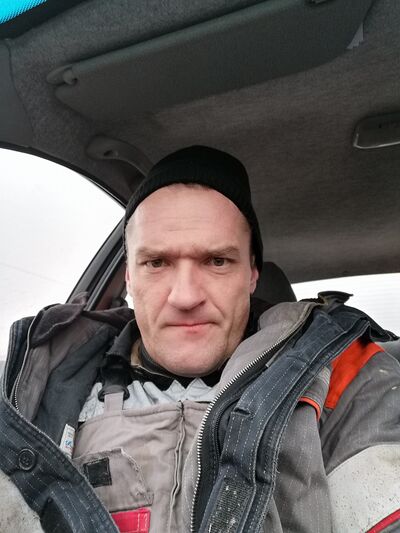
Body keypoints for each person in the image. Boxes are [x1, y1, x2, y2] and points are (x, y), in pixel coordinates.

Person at [0, 146, 399, 533]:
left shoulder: (345, 378)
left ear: (252, 274)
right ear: (129, 278)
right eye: (157, 262)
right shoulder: (38, 383)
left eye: (217, 261)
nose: (186, 296)